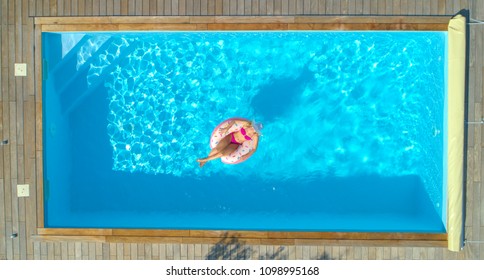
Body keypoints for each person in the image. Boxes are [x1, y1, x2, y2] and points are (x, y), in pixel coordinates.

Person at [197, 119, 263, 167]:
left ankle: (205, 159)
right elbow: (234, 121)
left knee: (222, 153)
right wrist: (226, 128)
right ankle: (205, 160)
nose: (253, 128)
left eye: (255, 129)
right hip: (231, 137)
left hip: (236, 144)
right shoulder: (246, 124)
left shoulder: (254, 136)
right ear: (253, 124)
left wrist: (247, 155)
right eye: (253, 126)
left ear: (257, 131)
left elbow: (254, 148)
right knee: (217, 149)